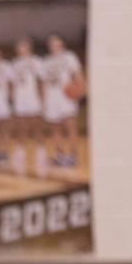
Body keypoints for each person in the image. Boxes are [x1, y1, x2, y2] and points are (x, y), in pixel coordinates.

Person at [41, 34, 85, 167]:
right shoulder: (46, 61)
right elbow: (44, 82)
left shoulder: (69, 57)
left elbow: (78, 75)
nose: (53, 46)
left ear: (62, 44)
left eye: (56, 43)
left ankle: (73, 156)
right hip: (52, 97)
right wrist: (44, 101)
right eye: (51, 44)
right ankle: (58, 156)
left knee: (70, 127)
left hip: (66, 96)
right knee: (55, 129)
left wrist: (81, 90)